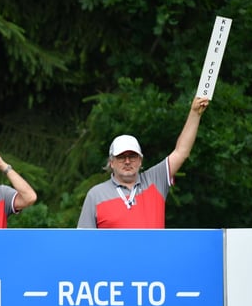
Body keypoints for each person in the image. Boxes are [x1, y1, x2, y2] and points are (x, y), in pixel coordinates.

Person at [77, 97, 210, 228]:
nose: (127, 161)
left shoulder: (155, 180)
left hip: (153, 251)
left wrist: (194, 113)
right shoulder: (96, 194)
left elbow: (181, 152)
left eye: (132, 156)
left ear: (140, 160)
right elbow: (83, 241)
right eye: (121, 157)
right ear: (111, 162)